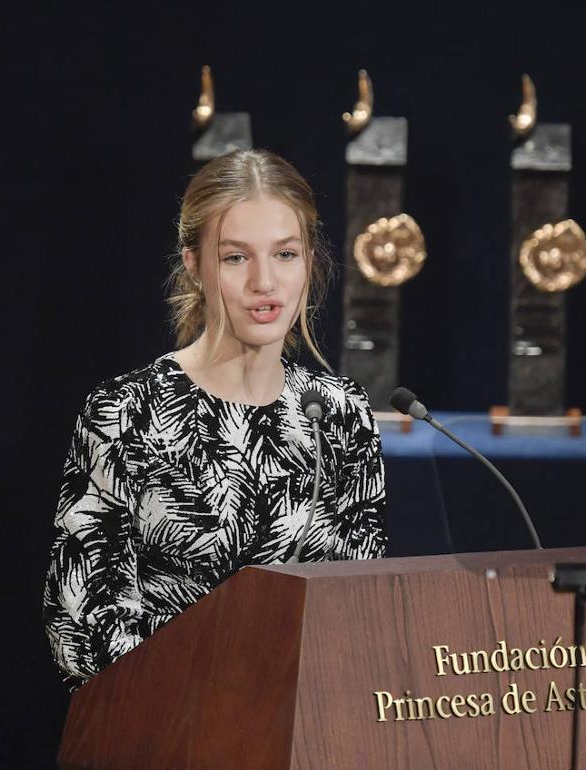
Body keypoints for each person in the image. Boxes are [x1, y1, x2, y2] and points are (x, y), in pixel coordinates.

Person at [43, 149, 387, 690]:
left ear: (310, 262)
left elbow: (361, 614)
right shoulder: (125, 413)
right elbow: (83, 631)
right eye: (235, 258)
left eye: (286, 254)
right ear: (193, 264)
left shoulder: (341, 414)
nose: (265, 282)